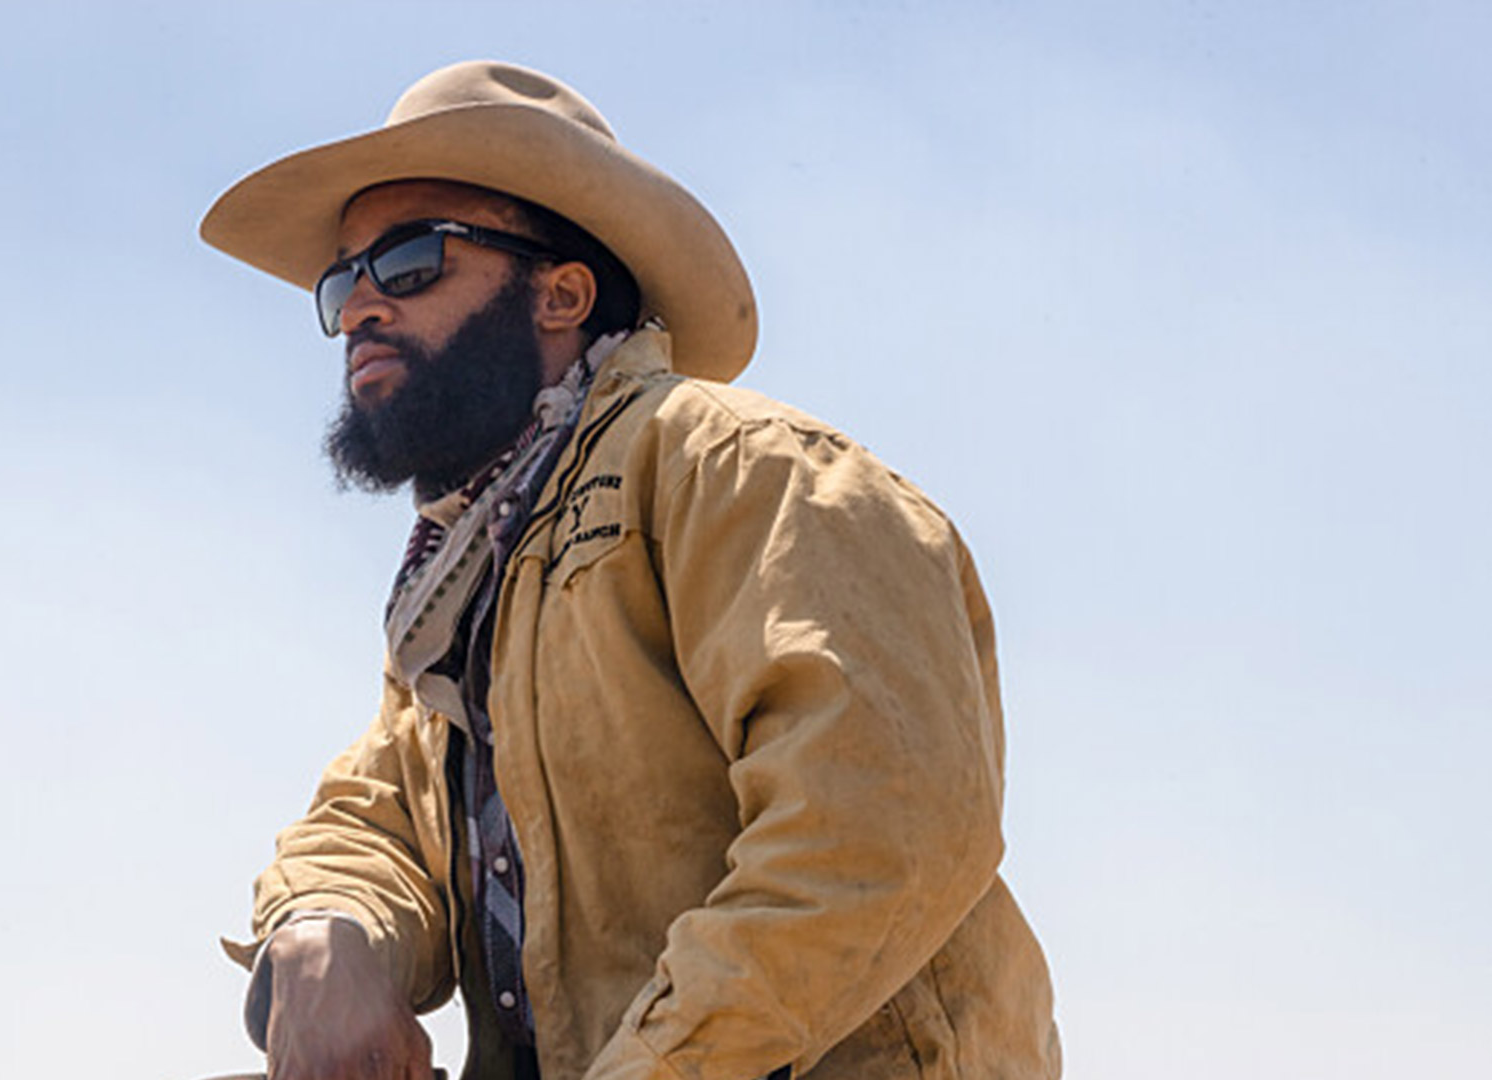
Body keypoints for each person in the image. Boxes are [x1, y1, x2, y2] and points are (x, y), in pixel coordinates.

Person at [199, 60, 1061, 1080]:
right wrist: (325, 929)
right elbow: (373, 815)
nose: (357, 311)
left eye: (413, 260)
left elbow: (876, 825)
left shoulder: (739, 467)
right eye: (343, 281)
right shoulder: (464, 589)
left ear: (560, 294)